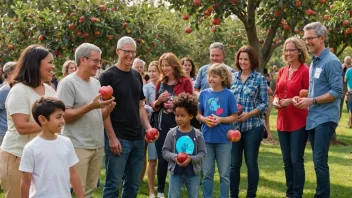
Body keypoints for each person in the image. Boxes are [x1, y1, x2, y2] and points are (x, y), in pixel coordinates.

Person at [99, 36, 156, 197]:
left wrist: (148, 128)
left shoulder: (136, 76)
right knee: (113, 184)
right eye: (126, 51)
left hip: (138, 138)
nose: (130, 55)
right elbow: (104, 111)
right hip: (119, 137)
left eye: (133, 52)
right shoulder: (107, 77)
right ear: (118, 51)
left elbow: (139, 106)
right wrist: (111, 137)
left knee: (133, 184)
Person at [57, 43, 115, 197]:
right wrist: (91, 106)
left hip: (97, 145)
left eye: (99, 61)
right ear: (82, 60)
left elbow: (97, 116)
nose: (99, 65)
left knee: (89, 190)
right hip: (78, 146)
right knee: (76, 190)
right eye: (95, 61)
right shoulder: (68, 83)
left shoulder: (96, 83)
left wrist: (107, 109)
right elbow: (64, 116)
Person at [293, 22, 343, 198]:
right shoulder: (315, 61)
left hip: (325, 117)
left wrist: (312, 100)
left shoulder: (331, 61)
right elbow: (320, 88)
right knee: (317, 161)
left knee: (320, 161)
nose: (307, 42)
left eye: (311, 38)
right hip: (314, 117)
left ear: (322, 38)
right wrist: (305, 96)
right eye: (305, 39)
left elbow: (337, 92)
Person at [0, 45, 56, 198]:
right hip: (17, 157)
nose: (53, 67)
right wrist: (51, 123)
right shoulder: (19, 91)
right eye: (49, 62)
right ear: (35, 64)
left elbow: (57, 119)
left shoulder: (50, 90)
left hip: (42, 157)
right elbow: (22, 126)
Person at [19, 97, 84, 198]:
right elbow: (25, 182)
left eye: (63, 116)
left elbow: (73, 174)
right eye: (58, 117)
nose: (63, 121)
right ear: (42, 119)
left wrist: (81, 196)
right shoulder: (31, 148)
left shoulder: (66, 142)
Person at [152, 52, 193, 198]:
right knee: (163, 158)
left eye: (167, 65)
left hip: (180, 126)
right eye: (162, 66)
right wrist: (159, 101)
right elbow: (155, 106)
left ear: (174, 65)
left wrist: (176, 104)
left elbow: (191, 103)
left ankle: (184, 186)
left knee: (182, 156)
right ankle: (161, 190)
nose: (164, 68)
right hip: (163, 125)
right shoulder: (160, 83)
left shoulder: (185, 82)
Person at [272, 37, 310, 198]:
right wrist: (275, 100)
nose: (288, 53)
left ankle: (297, 194)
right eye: (286, 50)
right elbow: (277, 93)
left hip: (298, 121)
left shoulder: (305, 71)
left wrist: (291, 101)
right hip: (282, 121)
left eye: (291, 50)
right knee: (287, 160)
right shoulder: (282, 71)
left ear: (300, 50)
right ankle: (289, 193)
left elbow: (310, 94)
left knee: (296, 160)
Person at [230, 45, 268, 198]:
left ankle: (251, 195)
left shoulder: (259, 78)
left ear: (252, 61)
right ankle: (233, 195)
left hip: (253, 126)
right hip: (234, 127)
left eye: (246, 59)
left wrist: (249, 114)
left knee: (251, 163)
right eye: (240, 59)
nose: (243, 62)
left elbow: (264, 103)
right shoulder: (232, 77)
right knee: (234, 165)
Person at [197, 63, 238, 198]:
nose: (211, 79)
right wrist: (204, 120)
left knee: (224, 174)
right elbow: (198, 114)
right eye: (209, 76)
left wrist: (220, 120)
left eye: (214, 76)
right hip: (206, 138)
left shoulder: (229, 95)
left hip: (223, 140)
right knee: (207, 173)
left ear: (223, 78)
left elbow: (234, 116)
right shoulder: (203, 94)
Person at [162, 93, 206, 198]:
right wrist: (175, 157)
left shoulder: (197, 134)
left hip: (192, 174)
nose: (179, 119)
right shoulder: (171, 133)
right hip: (175, 173)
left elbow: (202, 153)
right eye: (177, 115)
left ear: (191, 115)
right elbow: (165, 151)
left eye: (182, 115)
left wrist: (191, 158)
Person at [143, 61, 160, 198]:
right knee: (152, 159)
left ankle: (160, 188)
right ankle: (151, 191)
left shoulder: (164, 86)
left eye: (155, 70)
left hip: (165, 125)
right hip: (152, 126)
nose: (152, 73)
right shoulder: (147, 88)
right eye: (150, 70)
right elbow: (144, 106)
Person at [0, 62, 16, 145]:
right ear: (9, 73)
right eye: (17, 71)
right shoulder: (5, 90)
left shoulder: (13, 88)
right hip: (3, 133)